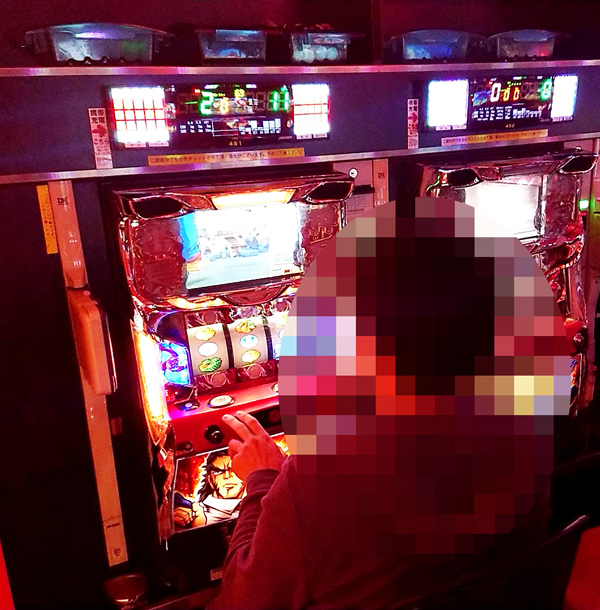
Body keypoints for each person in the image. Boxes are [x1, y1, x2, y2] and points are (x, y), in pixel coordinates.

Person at [173, 451, 246, 529]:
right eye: (218, 472)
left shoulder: (252, 502)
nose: (227, 476)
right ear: (210, 479)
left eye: (233, 470)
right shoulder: (194, 512)